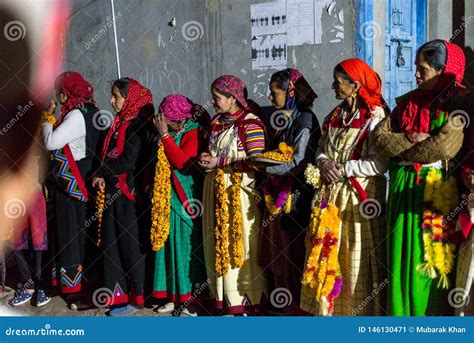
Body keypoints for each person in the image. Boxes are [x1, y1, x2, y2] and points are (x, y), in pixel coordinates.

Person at [373, 40, 467, 316]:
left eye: (422, 69)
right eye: (416, 68)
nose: (415, 74)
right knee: (400, 256)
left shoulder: (459, 101)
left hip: (435, 189)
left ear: (443, 70)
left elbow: (444, 146)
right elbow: (380, 138)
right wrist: (414, 137)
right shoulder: (407, 102)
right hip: (404, 185)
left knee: (428, 258)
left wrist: (406, 148)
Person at [300, 58, 389, 316]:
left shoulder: (375, 116)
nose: (332, 86)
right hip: (331, 197)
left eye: (338, 82)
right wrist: (324, 161)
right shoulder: (336, 115)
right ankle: (328, 313)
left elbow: (380, 164)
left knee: (354, 257)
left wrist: (343, 169)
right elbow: (320, 147)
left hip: (359, 200)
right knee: (329, 254)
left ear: (356, 85)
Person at [198, 75, 268, 315]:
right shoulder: (217, 122)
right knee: (216, 242)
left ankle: (245, 302)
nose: (214, 102)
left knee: (240, 244)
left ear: (232, 98)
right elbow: (213, 151)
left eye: (217, 98)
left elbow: (257, 161)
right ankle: (224, 299)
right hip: (215, 191)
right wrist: (208, 160)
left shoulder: (251, 123)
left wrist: (221, 161)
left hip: (239, 194)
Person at [257, 68, 320, 315]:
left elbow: (299, 161)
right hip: (279, 192)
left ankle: (295, 306)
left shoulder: (304, 119)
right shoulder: (284, 117)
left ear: (290, 92)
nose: (270, 99)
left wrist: (263, 166)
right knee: (278, 248)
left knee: (293, 249)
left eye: (275, 93)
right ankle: (281, 302)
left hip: (297, 194)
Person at [93, 78, 154, 316]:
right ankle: (117, 295)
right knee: (113, 243)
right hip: (114, 193)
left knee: (130, 247)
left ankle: (137, 297)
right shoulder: (120, 123)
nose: (111, 100)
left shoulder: (137, 125)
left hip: (129, 195)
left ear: (129, 99)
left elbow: (128, 161)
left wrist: (100, 171)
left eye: (116, 95)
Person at [42, 72, 101, 296]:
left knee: (69, 232)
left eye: (60, 92)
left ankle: (72, 286)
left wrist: (45, 120)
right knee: (81, 230)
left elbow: (51, 142)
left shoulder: (76, 115)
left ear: (65, 95)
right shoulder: (92, 110)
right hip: (84, 177)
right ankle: (84, 280)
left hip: (71, 183)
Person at [150, 94, 208, 316]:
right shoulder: (175, 131)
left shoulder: (192, 132)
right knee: (168, 249)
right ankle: (174, 297)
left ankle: (190, 299)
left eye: (168, 122)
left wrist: (165, 136)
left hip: (185, 200)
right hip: (166, 199)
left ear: (181, 120)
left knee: (184, 249)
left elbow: (184, 163)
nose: (164, 125)